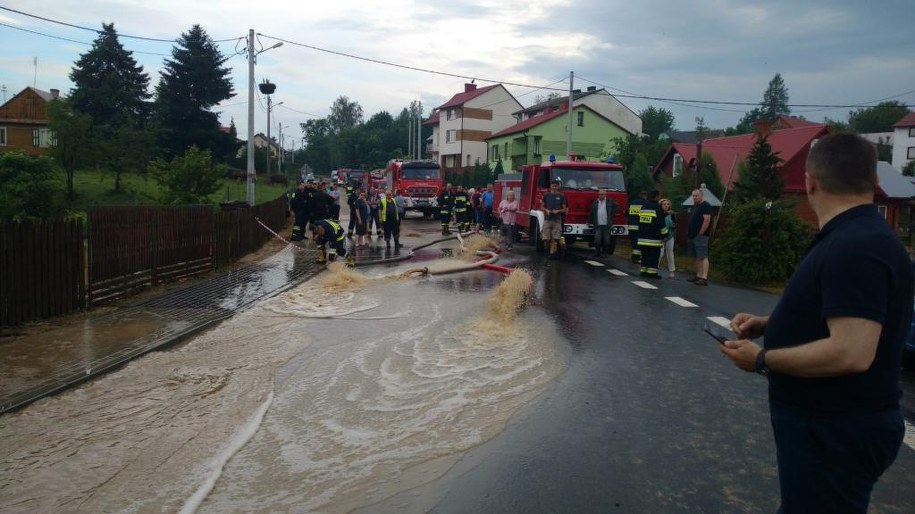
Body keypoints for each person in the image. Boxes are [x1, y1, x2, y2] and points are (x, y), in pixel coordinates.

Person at [720, 133, 913, 514]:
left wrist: (762, 360)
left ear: (810, 181)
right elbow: (837, 311)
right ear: (874, 183)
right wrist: (768, 323)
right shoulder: (858, 236)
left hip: (836, 428)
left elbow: (851, 352)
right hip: (832, 426)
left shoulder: (855, 246)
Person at [636, 190, 667, 278]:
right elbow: (661, 223)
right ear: (657, 196)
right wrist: (665, 234)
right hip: (654, 238)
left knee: (645, 255)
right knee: (653, 255)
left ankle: (643, 270)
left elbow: (640, 221)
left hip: (643, 237)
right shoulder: (657, 207)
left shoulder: (643, 207)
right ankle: (652, 272)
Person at [687, 188, 712, 285]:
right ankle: (699, 275)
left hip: (701, 236)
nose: (694, 197)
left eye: (696, 196)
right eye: (693, 196)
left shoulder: (706, 205)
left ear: (701, 195)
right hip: (693, 235)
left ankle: (704, 277)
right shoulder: (696, 206)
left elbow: (707, 220)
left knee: (703, 256)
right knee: (697, 256)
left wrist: (701, 233)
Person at [540, 179, 568, 258]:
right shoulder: (546, 195)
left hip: (557, 220)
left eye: (556, 186)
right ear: (551, 186)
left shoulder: (562, 196)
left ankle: (552, 254)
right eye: (553, 186)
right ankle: (546, 250)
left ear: (558, 187)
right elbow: (541, 207)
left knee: (555, 239)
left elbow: (564, 209)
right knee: (546, 239)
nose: (554, 187)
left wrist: (558, 211)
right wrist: (546, 210)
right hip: (547, 219)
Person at [589, 188, 619, 257]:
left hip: (607, 224)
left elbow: (617, 207)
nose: (600, 196)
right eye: (599, 194)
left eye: (602, 194)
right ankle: (597, 252)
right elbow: (592, 212)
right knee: (597, 239)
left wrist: (611, 213)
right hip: (598, 224)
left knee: (606, 240)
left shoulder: (610, 201)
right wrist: (589, 221)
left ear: (605, 194)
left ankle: (604, 253)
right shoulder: (595, 202)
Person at [658, 198, 677, 278]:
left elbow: (675, 224)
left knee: (670, 253)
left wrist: (673, 225)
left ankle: (672, 271)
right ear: (661, 206)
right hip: (661, 236)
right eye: (664, 204)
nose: (666, 206)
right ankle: (655, 267)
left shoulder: (672, 214)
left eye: (667, 204)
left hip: (669, 236)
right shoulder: (659, 213)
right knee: (660, 253)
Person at [627, 190, 647, 263]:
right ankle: (636, 258)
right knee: (638, 243)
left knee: (634, 243)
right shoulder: (644, 203)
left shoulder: (633, 202)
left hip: (631, 226)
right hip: (639, 226)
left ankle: (634, 257)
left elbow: (628, 213)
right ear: (645, 196)